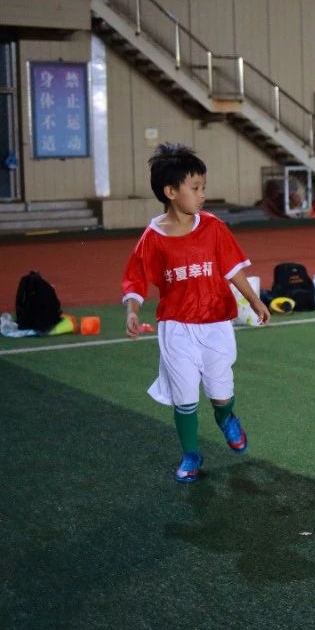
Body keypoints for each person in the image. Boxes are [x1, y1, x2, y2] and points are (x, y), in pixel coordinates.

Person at [122, 143, 271, 483]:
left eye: (203, 187)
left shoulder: (214, 227)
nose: (203, 195)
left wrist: (254, 299)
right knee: (185, 396)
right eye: (196, 188)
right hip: (176, 327)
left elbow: (233, 268)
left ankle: (226, 417)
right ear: (171, 192)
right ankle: (191, 454)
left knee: (220, 393)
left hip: (216, 322)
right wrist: (132, 311)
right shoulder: (152, 238)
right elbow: (136, 279)